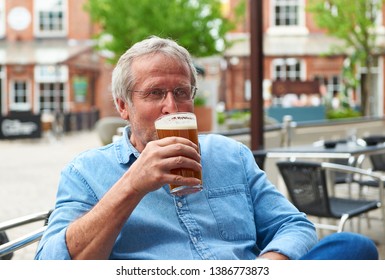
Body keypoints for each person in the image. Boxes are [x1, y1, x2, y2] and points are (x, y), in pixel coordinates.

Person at [34, 36, 378, 260]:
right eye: (155, 93)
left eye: (183, 92)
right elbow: (51, 263)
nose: (173, 107)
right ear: (123, 107)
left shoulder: (230, 154)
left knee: (354, 247)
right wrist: (132, 184)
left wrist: (268, 265)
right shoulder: (86, 172)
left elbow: (294, 225)